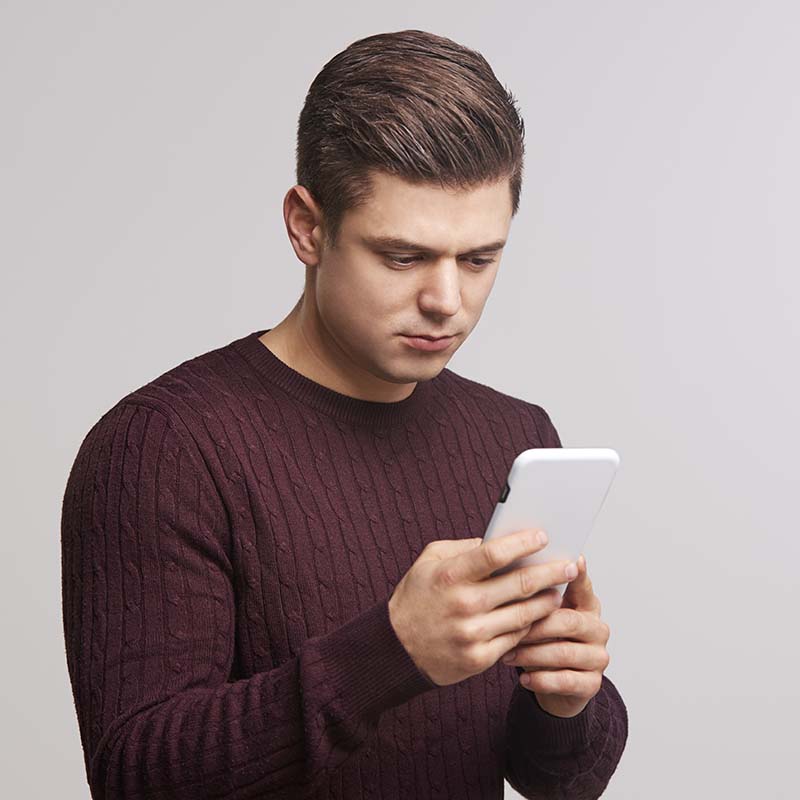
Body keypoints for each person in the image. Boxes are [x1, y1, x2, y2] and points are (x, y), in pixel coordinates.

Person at [60, 28, 628, 799]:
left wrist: (568, 700)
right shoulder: (163, 447)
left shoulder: (516, 437)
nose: (446, 301)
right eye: (402, 256)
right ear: (307, 226)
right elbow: (136, 778)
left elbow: (555, 778)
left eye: (478, 259)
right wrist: (389, 653)